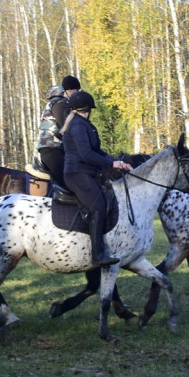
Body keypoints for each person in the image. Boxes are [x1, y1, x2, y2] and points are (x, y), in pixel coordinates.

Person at [61, 90, 129, 269]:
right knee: (98, 205)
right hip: (76, 173)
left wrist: (118, 162)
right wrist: (111, 163)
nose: (89, 112)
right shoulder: (78, 126)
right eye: (88, 109)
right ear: (86, 109)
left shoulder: (85, 124)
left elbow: (97, 151)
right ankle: (97, 255)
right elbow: (86, 154)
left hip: (85, 172)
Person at [35, 75, 80, 188]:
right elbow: (67, 128)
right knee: (71, 183)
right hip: (53, 150)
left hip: (51, 149)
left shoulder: (55, 102)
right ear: (70, 90)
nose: (77, 94)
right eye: (77, 91)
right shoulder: (60, 104)